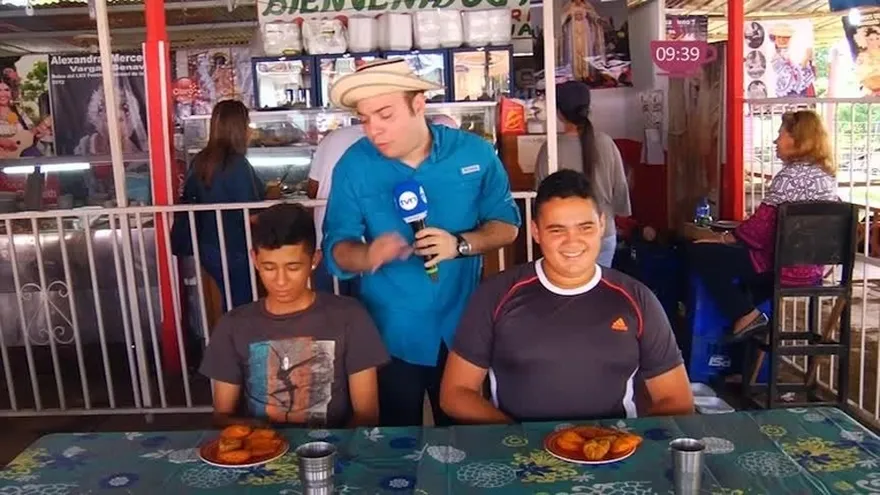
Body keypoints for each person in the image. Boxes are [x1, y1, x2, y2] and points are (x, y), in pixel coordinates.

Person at [322, 59, 521, 426]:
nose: (374, 130)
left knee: (468, 440)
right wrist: (367, 255)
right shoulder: (354, 165)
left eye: (385, 114)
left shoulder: (475, 153)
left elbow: (507, 226)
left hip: (465, 329)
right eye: (365, 119)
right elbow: (337, 246)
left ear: (418, 104)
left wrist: (460, 244)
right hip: (390, 331)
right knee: (395, 446)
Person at [440, 170, 693, 424]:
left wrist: (622, 444)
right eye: (557, 230)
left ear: (602, 225)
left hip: (611, 453)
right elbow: (455, 393)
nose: (573, 242)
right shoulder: (495, 295)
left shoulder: (638, 299)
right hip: (520, 455)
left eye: (585, 227)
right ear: (536, 232)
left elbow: (677, 399)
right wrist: (518, 436)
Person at [199, 203, 389, 428]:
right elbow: (222, 417)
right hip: (262, 453)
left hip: (334, 453)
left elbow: (366, 416)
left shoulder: (350, 317)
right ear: (254, 259)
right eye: (269, 267)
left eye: (293, 267)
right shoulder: (233, 326)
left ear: (315, 260)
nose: (280, 281)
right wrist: (265, 439)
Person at [689, 110, 838, 343]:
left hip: (780, 265)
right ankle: (746, 350)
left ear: (797, 139)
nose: (776, 140)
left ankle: (746, 315)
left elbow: (757, 233)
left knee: (699, 253)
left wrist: (722, 238)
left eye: (781, 134)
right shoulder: (827, 177)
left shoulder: (789, 176)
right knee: (744, 281)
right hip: (811, 269)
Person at [307, 114, 460, 294]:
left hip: (334, 248)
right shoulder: (375, 150)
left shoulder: (333, 138)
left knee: (332, 306)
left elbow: (311, 189)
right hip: (363, 252)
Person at [535, 81, 631, 268]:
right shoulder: (606, 143)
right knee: (599, 292)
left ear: (559, 113)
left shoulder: (551, 149)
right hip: (603, 233)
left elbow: (541, 193)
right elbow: (620, 191)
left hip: (563, 238)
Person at [182, 100, 265, 312]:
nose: (249, 129)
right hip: (235, 247)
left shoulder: (200, 160)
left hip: (208, 247)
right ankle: (237, 343)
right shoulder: (237, 164)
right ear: (238, 127)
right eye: (246, 123)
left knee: (232, 303)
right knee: (243, 305)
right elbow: (252, 215)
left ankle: (229, 341)